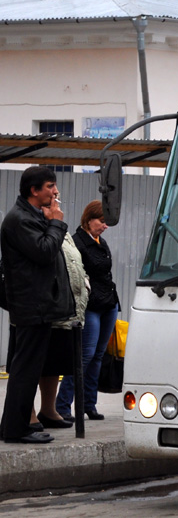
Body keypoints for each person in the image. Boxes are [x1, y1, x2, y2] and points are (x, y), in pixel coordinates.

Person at [0, 166, 74, 444]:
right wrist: (55, 222)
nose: (55, 192)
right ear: (34, 190)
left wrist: (48, 221)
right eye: (50, 186)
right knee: (25, 370)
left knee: (27, 368)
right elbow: (44, 252)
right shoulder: (19, 220)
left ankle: (12, 425)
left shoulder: (30, 216)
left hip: (38, 303)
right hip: (31, 304)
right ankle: (16, 430)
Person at [56, 201, 120, 422]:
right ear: (88, 219)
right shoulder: (77, 243)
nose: (105, 226)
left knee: (98, 357)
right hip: (91, 306)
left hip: (109, 304)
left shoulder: (99, 241)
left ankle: (88, 405)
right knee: (84, 356)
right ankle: (63, 406)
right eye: (102, 221)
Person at [35, 232, 90, 430]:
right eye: (53, 199)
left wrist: (85, 283)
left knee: (54, 364)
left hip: (65, 309)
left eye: (57, 198)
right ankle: (27, 413)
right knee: (35, 363)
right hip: (44, 309)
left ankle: (48, 410)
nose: (57, 202)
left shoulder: (63, 231)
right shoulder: (32, 225)